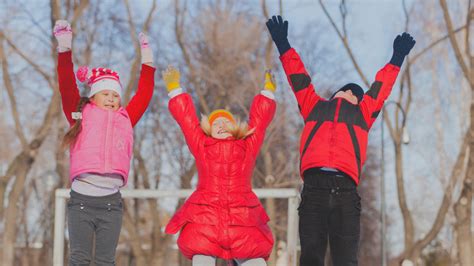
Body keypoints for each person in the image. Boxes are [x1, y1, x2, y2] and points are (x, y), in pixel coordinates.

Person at [266, 15, 415, 266]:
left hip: (346, 191)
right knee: (311, 256)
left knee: (345, 259)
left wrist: (397, 58)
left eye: (356, 93)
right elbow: (298, 77)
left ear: (360, 100)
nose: (350, 93)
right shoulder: (314, 106)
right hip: (314, 188)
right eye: (346, 89)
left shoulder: (362, 114)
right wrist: (283, 44)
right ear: (335, 94)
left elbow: (381, 87)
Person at [54, 20, 155, 265]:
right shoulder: (79, 114)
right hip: (81, 201)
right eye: (106, 94)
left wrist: (148, 59)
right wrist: (65, 47)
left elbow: (145, 92)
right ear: (94, 96)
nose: (111, 99)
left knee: (105, 261)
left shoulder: (125, 118)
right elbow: (67, 84)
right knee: (79, 259)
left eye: (115, 95)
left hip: (111, 203)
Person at [163, 66, 277, 266]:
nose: (221, 124)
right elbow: (187, 120)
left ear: (235, 128)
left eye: (226, 121)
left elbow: (260, 121)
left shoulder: (247, 146)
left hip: (242, 215)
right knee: (201, 258)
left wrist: (267, 92)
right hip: (206, 215)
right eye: (216, 123)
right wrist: (175, 90)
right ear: (208, 129)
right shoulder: (202, 145)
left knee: (256, 261)